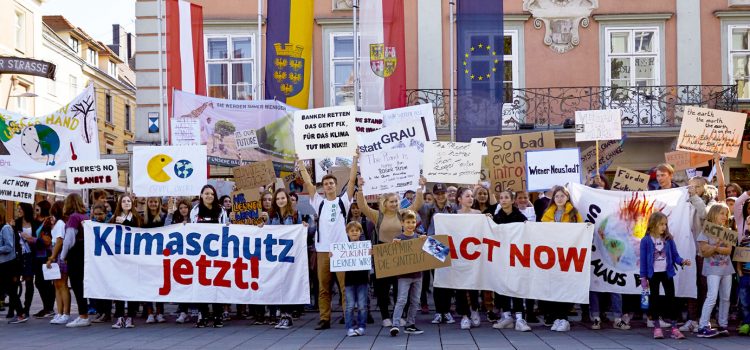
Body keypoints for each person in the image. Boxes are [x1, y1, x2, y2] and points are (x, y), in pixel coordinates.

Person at [297, 152, 358, 330]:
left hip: (341, 250)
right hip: (322, 250)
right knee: (323, 288)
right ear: (322, 188)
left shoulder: (344, 202)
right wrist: (301, 163)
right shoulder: (318, 202)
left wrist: (354, 159)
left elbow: (352, 181)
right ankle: (325, 319)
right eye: (325, 184)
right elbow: (308, 183)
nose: (329, 186)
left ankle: (348, 317)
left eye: (331, 183)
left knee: (345, 287)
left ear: (336, 185)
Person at [356, 176, 425, 328]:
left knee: (400, 286)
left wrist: (420, 188)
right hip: (383, 252)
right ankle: (385, 316)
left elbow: (417, 204)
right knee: (383, 287)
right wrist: (360, 188)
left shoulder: (402, 213)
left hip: (400, 251)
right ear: (384, 203)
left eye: (396, 201)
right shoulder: (377, 215)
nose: (394, 204)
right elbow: (362, 206)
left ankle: (399, 315)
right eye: (391, 201)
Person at [640, 211, 691, 340]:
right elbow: (643, 260)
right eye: (661, 224)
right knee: (655, 300)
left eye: (665, 224)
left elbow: (675, 255)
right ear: (653, 225)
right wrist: (643, 277)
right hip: (653, 274)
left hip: (667, 273)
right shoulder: (646, 240)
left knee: (671, 299)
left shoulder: (668, 239)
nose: (664, 227)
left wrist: (682, 261)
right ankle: (657, 327)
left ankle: (674, 327)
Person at [488, 190, 533, 331]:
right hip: (501, 258)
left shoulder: (520, 217)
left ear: (513, 200)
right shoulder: (496, 218)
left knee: (516, 285)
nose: (503, 200)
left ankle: (520, 318)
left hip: (516, 258)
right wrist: (487, 221)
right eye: (501, 198)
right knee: (502, 286)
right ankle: (506, 316)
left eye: (506, 197)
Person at [541, 186, 583, 332]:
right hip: (552, 256)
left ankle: (564, 318)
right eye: (557, 196)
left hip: (568, 256)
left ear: (567, 197)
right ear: (553, 198)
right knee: (554, 287)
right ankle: (557, 318)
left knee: (565, 287)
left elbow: (580, 230)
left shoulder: (574, 213)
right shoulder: (547, 214)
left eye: (562, 196)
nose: (559, 198)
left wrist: (586, 228)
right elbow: (541, 232)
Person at [190, 185, 229, 328]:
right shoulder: (195, 211)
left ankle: (218, 314)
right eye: (206, 193)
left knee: (217, 284)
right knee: (201, 284)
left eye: (212, 194)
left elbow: (226, 228)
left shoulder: (221, 210)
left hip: (217, 254)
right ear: (201, 195)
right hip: (200, 254)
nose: (209, 196)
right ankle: (203, 314)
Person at [268, 188, 307, 330]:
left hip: (291, 257)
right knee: (279, 286)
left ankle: (288, 316)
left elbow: (306, 232)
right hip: (276, 257)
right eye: (277, 199)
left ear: (288, 199)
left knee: (289, 285)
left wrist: (304, 227)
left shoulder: (296, 214)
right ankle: (282, 315)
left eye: (282, 198)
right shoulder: (271, 216)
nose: (280, 201)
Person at [419, 183, 457, 325]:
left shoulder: (453, 208)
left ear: (447, 194)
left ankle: (446, 311)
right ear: (434, 195)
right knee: (437, 280)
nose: (440, 196)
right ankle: (438, 312)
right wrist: (420, 187)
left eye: (443, 193)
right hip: (434, 244)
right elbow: (416, 204)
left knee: (446, 279)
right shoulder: (428, 208)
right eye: (438, 194)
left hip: (450, 244)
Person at [696, 203, 735, 338]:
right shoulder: (705, 231)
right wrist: (716, 247)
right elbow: (704, 252)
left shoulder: (726, 231)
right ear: (713, 214)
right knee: (712, 296)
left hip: (727, 268)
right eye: (722, 213)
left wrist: (714, 247)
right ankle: (702, 326)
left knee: (725, 297)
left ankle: (723, 324)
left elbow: (728, 250)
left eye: (726, 214)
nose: (724, 216)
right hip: (712, 269)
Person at [109, 194, 143, 329]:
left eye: (129, 201)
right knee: (119, 286)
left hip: (133, 257)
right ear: (120, 204)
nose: (127, 203)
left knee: (132, 286)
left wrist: (125, 223)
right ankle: (119, 316)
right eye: (124, 201)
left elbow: (139, 232)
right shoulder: (113, 218)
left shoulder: (137, 218)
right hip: (119, 258)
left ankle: (131, 317)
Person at [389, 210, 425, 337]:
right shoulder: (399, 238)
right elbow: (392, 254)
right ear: (402, 223)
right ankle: (395, 325)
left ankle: (410, 324)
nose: (411, 224)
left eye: (413, 222)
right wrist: (394, 244)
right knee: (402, 300)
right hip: (404, 276)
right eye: (408, 222)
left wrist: (424, 241)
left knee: (415, 301)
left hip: (418, 275)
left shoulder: (419, 237)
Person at [62, 193, 92, 328]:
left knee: (76, 284)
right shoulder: (85, 216)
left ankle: (83, 315)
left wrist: (62, 256)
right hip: (85, 251)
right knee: (81, 284)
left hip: (75, 252)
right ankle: (83, 314)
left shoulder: (73, 218)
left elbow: (68, 239)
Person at [455, 187, 483, 330]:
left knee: (473, 284)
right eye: (467, 196)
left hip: (474, 254)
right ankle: (464, 315)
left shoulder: (478, 214)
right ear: (459, 199)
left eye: (472, 196)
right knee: (460, 286)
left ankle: (474, 309)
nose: (471, 198)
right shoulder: (454, 214)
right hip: (459, 255)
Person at [29, 200, 55, 319]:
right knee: (39, 282)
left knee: (45, 282)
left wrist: (32, 239)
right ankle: (47, 307)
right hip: (36, 255)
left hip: (46, 255)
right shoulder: (34, 221)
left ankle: (49, 308)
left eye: (38, 208)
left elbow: (47, 240)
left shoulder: (48, 222)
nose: (36, 209)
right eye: (35, 208)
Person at [143, 197, 167, 324]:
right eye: (151, 201)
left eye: (155, 202)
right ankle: (149, 313)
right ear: (147, 203)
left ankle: (160, 312)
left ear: (159, 204)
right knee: (147, 284)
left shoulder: (163, 217)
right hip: (146, 255)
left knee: (159, 284)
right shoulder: (142, 218)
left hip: (159, 255)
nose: (153, 204)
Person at [343, 221, 369, 337]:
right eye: (352, 231)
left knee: (362, 305)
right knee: (349, 306)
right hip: (349, 280)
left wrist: (370, 253)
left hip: (362, 280)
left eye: (356, 231)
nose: (354, 233)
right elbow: (339, 259)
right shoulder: (343, 247)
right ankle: (349, 328)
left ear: (360, 232)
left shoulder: (365, 246)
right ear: (347, 233)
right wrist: (333, 255)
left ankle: (361, 326)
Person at [46, 201, 70, 325]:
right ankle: (59, 312)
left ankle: (65, 313)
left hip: (59, 255)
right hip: (56, 254)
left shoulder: (60, 223)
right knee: (57, 285)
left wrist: (52, 256)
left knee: (62, 285)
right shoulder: (56, 224)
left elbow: (59, 241)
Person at [1, 204, 25, 324]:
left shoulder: (5, 228)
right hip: (3, 264)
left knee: (11, 290)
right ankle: (19, 313)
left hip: (8, 264)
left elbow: (9, 246)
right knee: (9, 289)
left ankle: (20, 314)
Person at [737, 218, 750, 336]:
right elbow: (739, 258)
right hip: (745, 276)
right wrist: (739, 271)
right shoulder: (744, 240)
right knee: (744, 302)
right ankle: (746, 323)